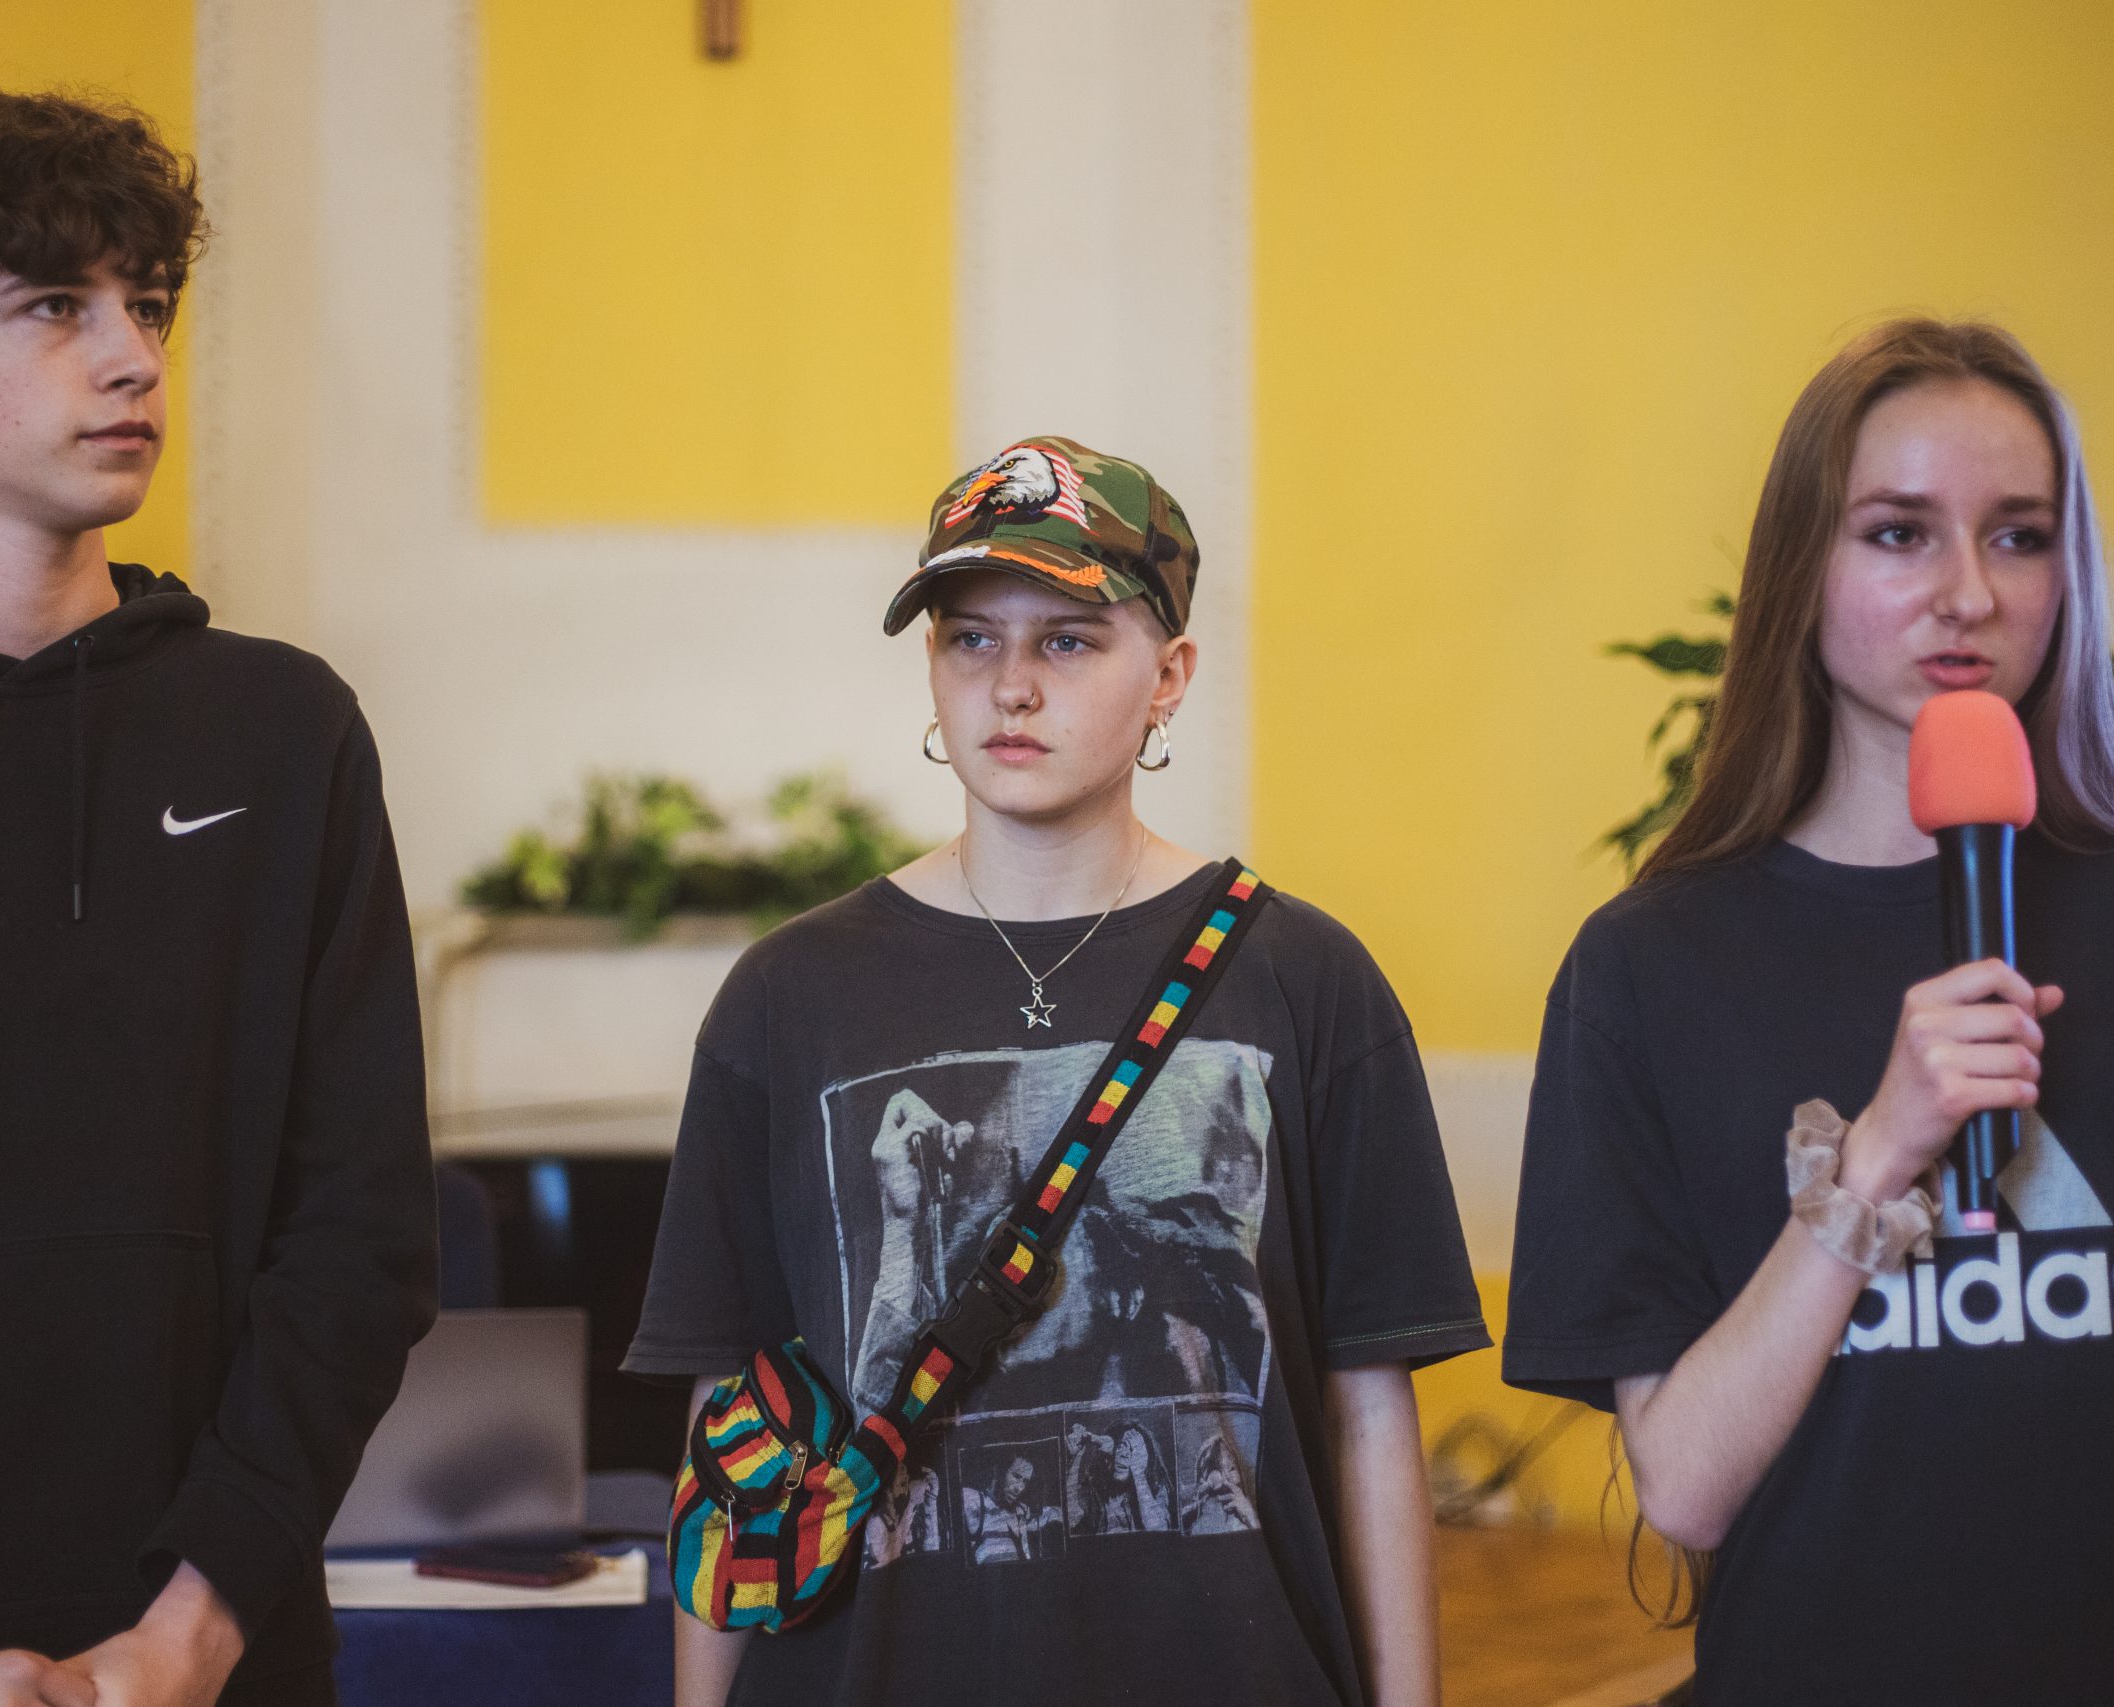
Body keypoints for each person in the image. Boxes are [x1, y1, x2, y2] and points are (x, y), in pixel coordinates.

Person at [0, 92, 438, 1707]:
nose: (133, 360)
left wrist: (196, 1628)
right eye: (56, 307)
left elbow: (362, 1234)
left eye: (149, 305)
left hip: (208, 1660)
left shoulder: (284, 730)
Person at [629, 436, 1486, 1707]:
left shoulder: (1307, 982)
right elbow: (729, 1422)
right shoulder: (788, 997)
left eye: (1069, 641)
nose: (1011, 687)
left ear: (1170, 675)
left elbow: (1366, 1409)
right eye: (970, 639)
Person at [1503, 319, 2114, 1704]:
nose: (1968, 592)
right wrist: (1872, 1161)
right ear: (1802, 566)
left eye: (2020, 536)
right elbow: (1682, 1487)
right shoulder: (1650, 967)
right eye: (1900, 533)